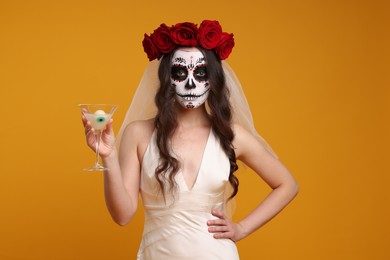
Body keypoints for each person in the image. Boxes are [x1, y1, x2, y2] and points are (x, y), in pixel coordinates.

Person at [81, 20, 298, 260]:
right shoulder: (138, 134)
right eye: (180, 72)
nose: (191, 82)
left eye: (201, 72)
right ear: (166, 77)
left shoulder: (231, 135)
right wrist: (108, 155)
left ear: (213, 78)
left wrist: (242, 228)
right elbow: (122, 216)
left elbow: (287, 184)